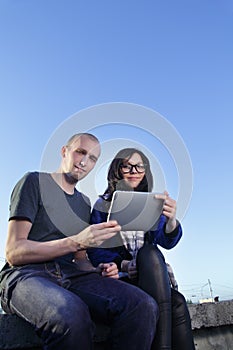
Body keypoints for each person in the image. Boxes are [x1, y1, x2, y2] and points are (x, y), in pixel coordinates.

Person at [0, 135, 159, 350]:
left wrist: (99, 268)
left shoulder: (84, 203)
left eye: (92, 158)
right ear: (64, 151)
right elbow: (14, 252)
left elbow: (81, 260)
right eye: (80, 152)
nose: (85, 162)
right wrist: (75, 241)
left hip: (72, 275)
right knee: (71, 315)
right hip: (27, 274)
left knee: (143, 305)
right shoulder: (34, 182)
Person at [87, 147, 195, 350]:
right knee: (151, 257)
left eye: (139, 166)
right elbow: (95, 250)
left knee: (177, 299)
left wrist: (171, 220)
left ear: (145, 171)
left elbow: (168, 241)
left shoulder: (152, 202)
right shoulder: (103, 205)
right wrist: (125, 265)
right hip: (121, 279)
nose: (134, 170)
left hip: (151, 276)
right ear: (117, 170)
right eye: (127, 166)